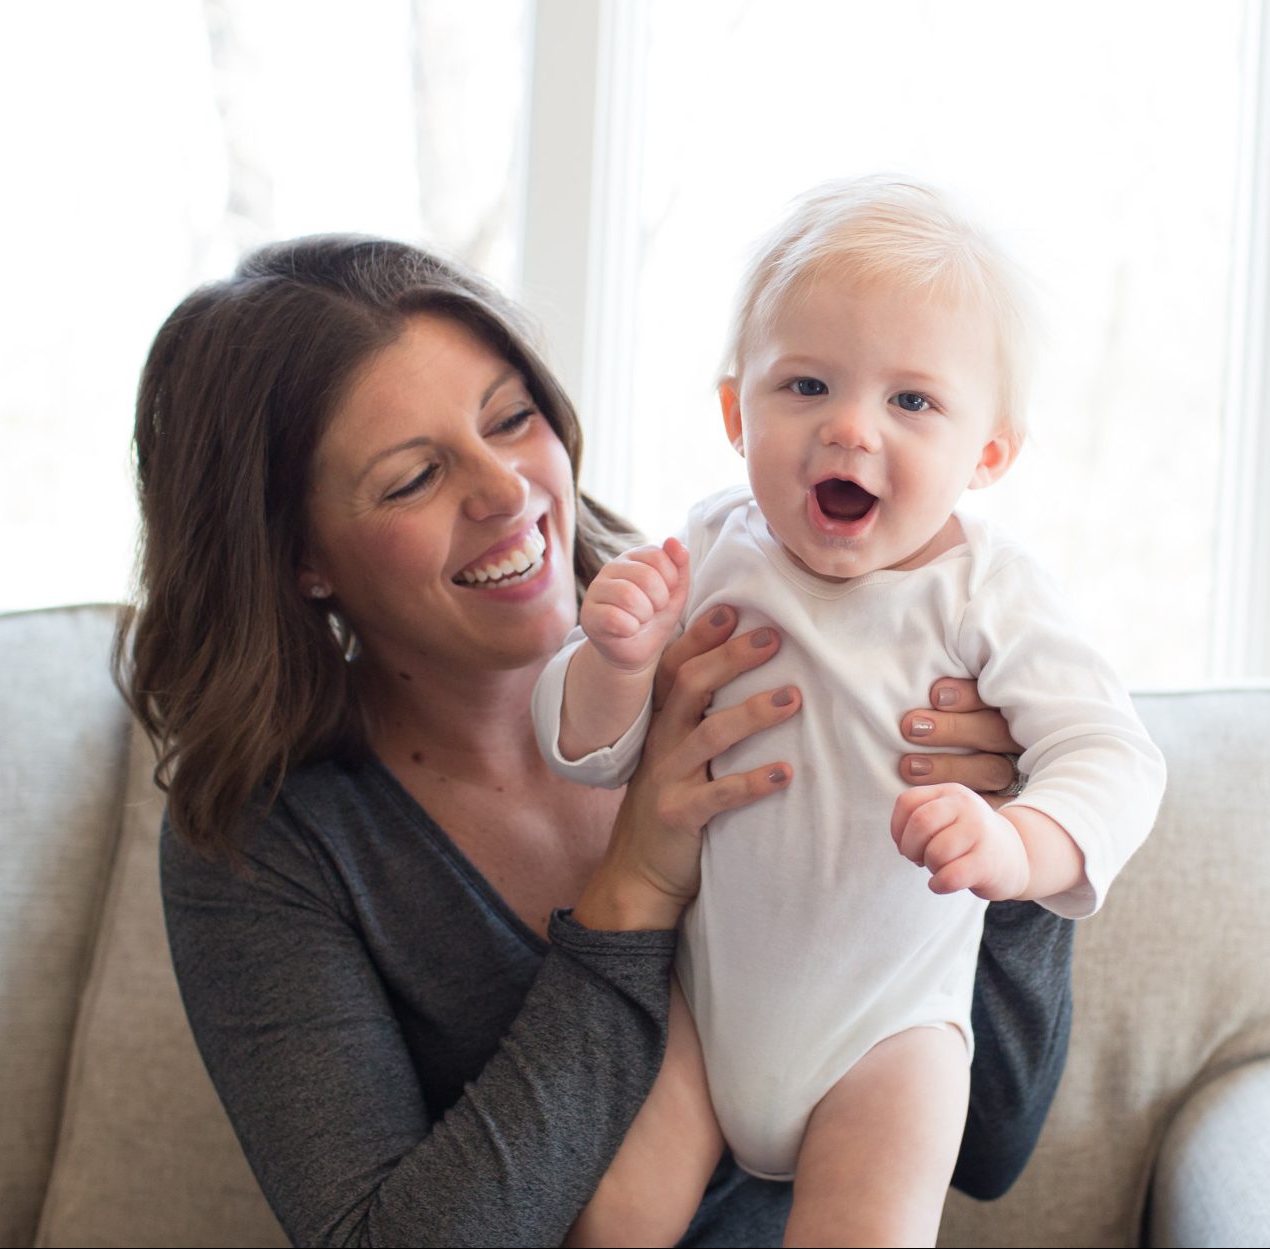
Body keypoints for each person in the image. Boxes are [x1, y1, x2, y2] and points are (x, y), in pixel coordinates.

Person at [116, 232, 1078, 1248]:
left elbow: (993, 1148)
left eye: (512, 418)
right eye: (411, 479)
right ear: (299, 555)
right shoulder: (274, 842)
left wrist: (1006, 839)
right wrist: (634, 894)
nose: (505, 491)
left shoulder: (761, 616)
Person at [534, 178, 1166, 1246]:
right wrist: (616, 658)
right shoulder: (718, 545)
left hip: (891, 1034)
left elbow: (1114, 755)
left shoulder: (986, 594)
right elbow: (588, 751)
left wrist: (1015, 843)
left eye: (912, 402)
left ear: (990, 454)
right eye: (808, 384)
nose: (850, 428)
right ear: (738, 414)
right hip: (706, 1005)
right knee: (613, 1219)